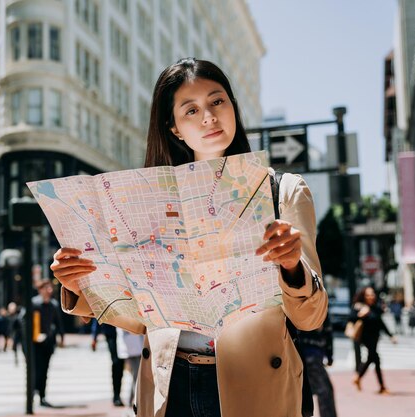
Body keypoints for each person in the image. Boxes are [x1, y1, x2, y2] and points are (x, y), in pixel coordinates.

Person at [50, 58, 328, 417]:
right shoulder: (149, 203)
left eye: (217, 102)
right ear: (175, 128)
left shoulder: (281, 190)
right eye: (191, 110)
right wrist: (78, 283)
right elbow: (139, 317)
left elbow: (311, 317)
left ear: (233, 107)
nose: (209, 117)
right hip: (169, 382)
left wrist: (291, 266)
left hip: (253, 383)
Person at [351, 287, 397, 394]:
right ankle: (382, 386)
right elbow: (351, 319)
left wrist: (391, 335)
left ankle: (358, 377)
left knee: (372, 358)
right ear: (363, 296)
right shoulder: (359, 307)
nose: (371, 297)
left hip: (375, 338)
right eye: (368, 295)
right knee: (375, 358)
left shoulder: (375, 308)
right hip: (365, 338)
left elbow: (381, 324)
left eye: (372, 294)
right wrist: (360, 315)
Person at [28, 278, 65, 407]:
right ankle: (32, 394)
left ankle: (42, 396)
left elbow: (58, 322)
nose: (49, 290)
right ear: (40, 290)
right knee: (35, 369)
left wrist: (61, 337)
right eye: (46, 288)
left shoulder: (53, 305)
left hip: (48, 342)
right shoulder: (33, 303)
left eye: (50, 288)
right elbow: (24, 321)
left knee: (45, 369)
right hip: (34, 343)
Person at [299, 318, 337, 417]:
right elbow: (328, 332)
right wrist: (329, 355)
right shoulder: (320, 305)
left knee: (303, 391)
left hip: (298, 352)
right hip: (312, 354)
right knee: (325, 391)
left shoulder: (294, 304)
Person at [91, 320, 125, 406]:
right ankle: (116, 396)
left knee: (121, 364)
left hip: (125, 333)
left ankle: (120, 395)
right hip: (111, 334)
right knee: (116, 362)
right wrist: (94, 337)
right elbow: (98, 316)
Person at [117, 327, 145, 407]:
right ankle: (135, 401)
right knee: (136, 375)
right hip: (130, 349)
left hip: (138, 348)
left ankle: (131, 400)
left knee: (136, 376)